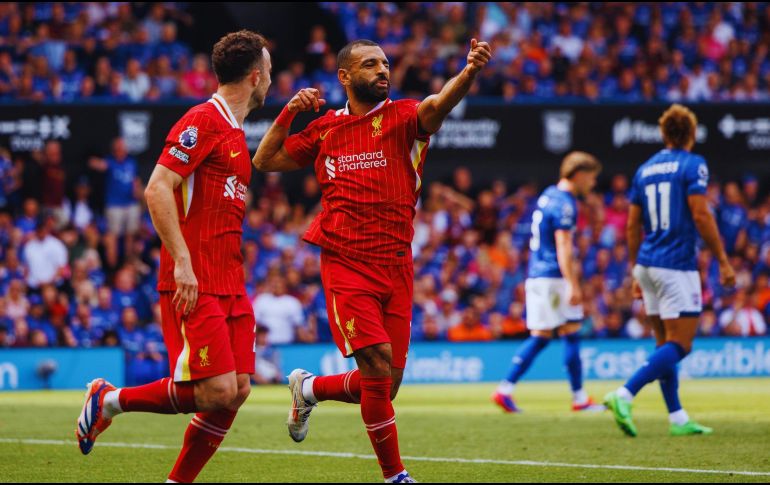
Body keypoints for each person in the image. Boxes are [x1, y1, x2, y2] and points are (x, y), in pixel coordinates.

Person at [253, 37, 492, 484]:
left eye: (385, 63)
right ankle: (394, 475)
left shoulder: (404, 116)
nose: (382, 70)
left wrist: (469, 72)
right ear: (345, 76)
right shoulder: (325, 129)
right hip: (346, 262)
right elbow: (264, 160)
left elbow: (438, 104)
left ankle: (308, 388)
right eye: (370, 64)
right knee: (377, 366)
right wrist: (288, 113)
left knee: (386, 384)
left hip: (397, 265)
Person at [75, 30, 272, 483]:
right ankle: (108, 400)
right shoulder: (203, 120)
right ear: (256, 76)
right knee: (216, 389)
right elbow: (157, 187)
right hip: (195, 277)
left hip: (230, 280)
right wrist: (182, 262)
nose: (271, 82)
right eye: (270, 73)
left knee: (238, 390)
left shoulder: (237, 134)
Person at [605, 104, 736, 437]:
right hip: (676, 264)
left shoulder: (644, 169)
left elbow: (633, 225)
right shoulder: (694, 164)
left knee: (664, 342)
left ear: (664, 134)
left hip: (648, 263)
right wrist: (722, 258)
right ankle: (624, 394)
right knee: (682, 344)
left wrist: (636, 269)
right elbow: (701, 214)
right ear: (691, 134)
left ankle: (677, 417)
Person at [491, 152, 604, 413]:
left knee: (542, 336)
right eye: (591, 177)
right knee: (571, 332)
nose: (593, 183)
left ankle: (504, 389)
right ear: (578, 175)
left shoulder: (547, 195)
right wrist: (573, 283)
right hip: (554, 276)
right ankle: (579, 399)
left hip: (537, 274)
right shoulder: (565, 204)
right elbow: (563, 245)